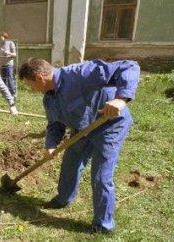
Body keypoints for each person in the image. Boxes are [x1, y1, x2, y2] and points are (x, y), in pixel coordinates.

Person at [18, 58, 140, 233]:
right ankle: (63, 199)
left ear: (39, 78)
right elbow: (55, 124)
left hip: (110, 124)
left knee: (100, 175)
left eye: (31, 85)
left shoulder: (79, 74)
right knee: (71, 162)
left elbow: (129, 66)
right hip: (82, 128)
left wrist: (121, 99)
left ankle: (103, 225)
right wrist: (51, 145)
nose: (32, 90)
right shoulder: (49, 99)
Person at [0, 31, 17, 98]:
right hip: (2, 64)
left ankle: (13, 94)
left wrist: (8, 53)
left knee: (10, 79)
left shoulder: (10, 43)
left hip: (9, 64)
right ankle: (5, 93)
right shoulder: (0, 44)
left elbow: (14, 54)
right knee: (3, 80)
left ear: (4, 36)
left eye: (0, 36)